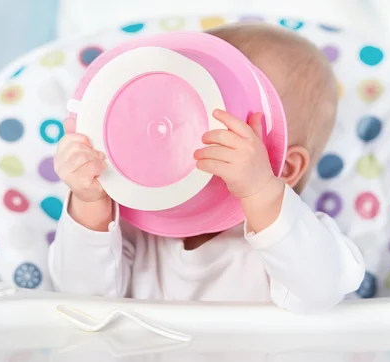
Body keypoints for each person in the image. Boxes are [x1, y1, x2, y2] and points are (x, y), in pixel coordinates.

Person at [48, 23, 364, 313]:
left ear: (283, 167)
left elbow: (322, 290)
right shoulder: (134, 232)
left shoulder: (294, 244)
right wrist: (91, 204)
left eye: (222, 115)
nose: (187, 131)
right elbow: (82, 298)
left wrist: (260, 192)